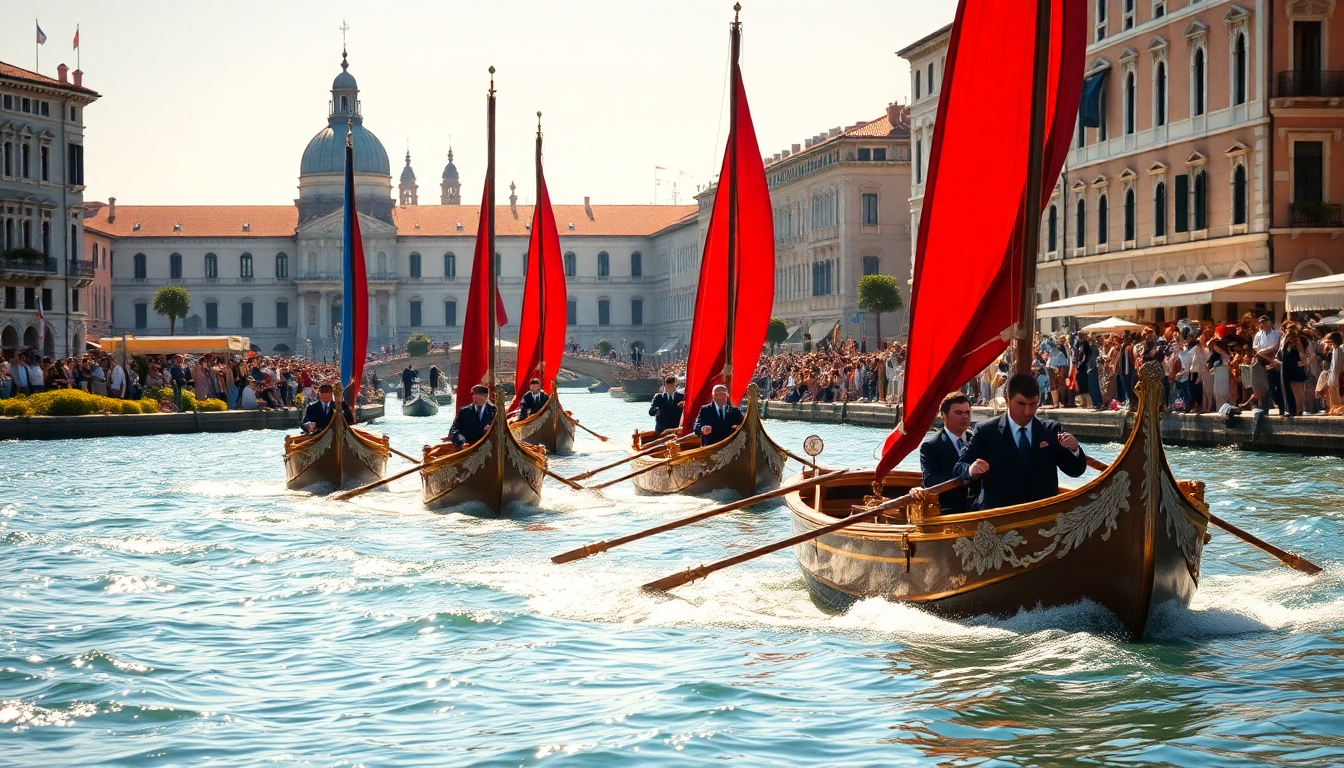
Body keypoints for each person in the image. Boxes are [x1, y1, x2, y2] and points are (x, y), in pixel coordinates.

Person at [915, 373, 1087, 511]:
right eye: (1021, 404)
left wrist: (1075, 450)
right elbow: (960, 466)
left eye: (1032, 404)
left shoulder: (1051, 430)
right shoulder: (985, 431)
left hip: (1041, 517)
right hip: (997, 518)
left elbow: (1075, 471)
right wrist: (971, 469)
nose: (1027, 411)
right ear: (1007, 401)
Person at [917, 392, 978, 513]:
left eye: (967, 412)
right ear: (944, 416)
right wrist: (966, 473)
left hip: (978, 508)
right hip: (949, 510)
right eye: (958, 413)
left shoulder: (977, 440)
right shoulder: (931, 446)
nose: (965, 416)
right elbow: (930, 480)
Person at [447, 384, 495, 449]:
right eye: (473, 394)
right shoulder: (464, 411)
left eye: (474, 394)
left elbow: (501, 429)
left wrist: (492, 428)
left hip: (490, 446)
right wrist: (460, 437)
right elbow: (455, 429)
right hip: (469, 447)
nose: (473, 396)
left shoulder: (495, 410)